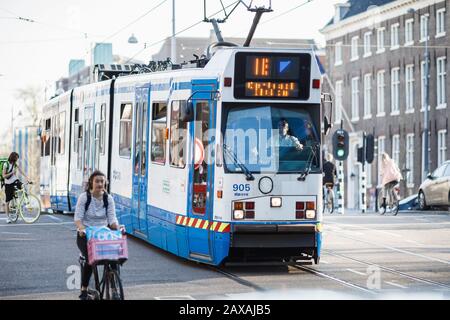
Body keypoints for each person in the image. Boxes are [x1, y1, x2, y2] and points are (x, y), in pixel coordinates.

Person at [74, 170, 121, 300]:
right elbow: (78, 218)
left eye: (102, 181)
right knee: (91, 258)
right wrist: (82, 229)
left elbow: (112, 219)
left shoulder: (108, 198)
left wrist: (117, 227)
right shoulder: (84, 197)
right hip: (86, 234)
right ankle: (84, 290)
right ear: (91, 183)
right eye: (97, 181)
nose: (100, 184)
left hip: (102, 234)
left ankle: (114, 288)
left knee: (114, 257)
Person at [2, 152, 30, 223]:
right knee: (7, 202)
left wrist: (27, 178)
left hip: (15, 180)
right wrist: (12, 172)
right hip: (8, 184)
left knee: (22, 186)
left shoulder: (14, 164)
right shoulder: (6, 164)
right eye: (16, 158)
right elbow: (4, 176)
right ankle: (8, 218)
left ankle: (25, 203)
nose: (17, 159)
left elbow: (21, 171)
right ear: (13, 157)